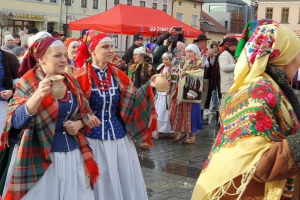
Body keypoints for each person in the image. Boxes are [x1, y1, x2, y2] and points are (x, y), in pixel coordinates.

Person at [192, 21, 300, 199]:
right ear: (284, 55)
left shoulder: (270, 86)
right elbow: (259, 165)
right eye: (297, 52)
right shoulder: (258, 91)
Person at [0, 36, 100, 200]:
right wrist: (38, 95)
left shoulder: (71, 81)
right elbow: (15, 123)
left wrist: (79, 123)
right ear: (41, 59)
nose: (63, 60)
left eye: (64, 55)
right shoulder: (28, 82)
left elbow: (85, 111)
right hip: (38, 155)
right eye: (57, 56)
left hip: (71, 155)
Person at [74, 30, 155, 200]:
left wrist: (149, 87)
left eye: (112, 46)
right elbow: (72, 110)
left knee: (122, 179)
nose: (111, 50)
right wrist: (82, 120)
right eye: (105, 47)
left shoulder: (120, 76)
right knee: (100, 182)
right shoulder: (79, 78)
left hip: (119, 138)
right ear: (92, 51)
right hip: (92, 139)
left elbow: (133, 100)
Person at [170, 44, 204, 144]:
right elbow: (179, 72)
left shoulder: (199, 63)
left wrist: (192, 92)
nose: (188, 54)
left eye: (190, 52)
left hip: (191, 92)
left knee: (191, 114)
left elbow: (198, 78)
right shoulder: (183, 61)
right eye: (187, 51)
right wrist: (174, 75)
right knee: (180, 112)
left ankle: (192, 136)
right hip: (181, 91)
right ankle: (182, 132)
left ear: (195, 53)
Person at [155, 52, 178, 138]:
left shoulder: (174, 68)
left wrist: (167, 76)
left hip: (168, 92)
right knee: (159, 110)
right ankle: (159, 128)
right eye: (163, 59)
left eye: (166, 59)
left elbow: (175, 79)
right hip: (160, 91)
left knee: (166, 110)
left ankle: (169, 130)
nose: (164, 61)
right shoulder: (161, 67)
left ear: (171, 60)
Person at [218, 37, 238, 121]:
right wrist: (238, 65)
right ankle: (222, 123)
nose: (236, 48)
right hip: (227, 85)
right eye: (234, 46)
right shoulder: (224, 55)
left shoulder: (230, 54)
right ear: (229, 46)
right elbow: (224, 67)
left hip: (232, 85)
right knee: (224, 106)